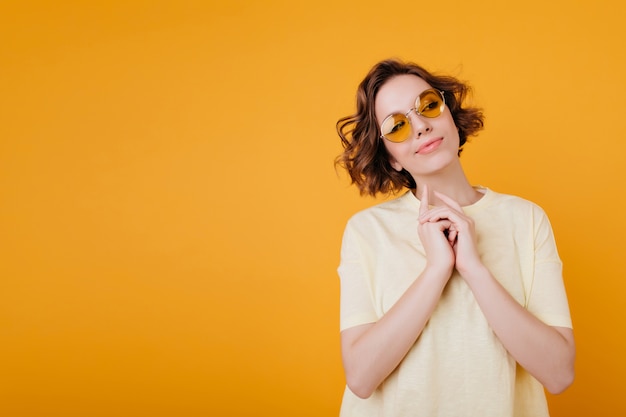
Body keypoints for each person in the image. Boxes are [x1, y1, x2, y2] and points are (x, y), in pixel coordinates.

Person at [335, 59, 575, 417]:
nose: (420, 126)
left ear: (450, 115)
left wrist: (474, 268)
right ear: (392, 158)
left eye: (428, 105)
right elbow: (361, 377)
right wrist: (436, 269)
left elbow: (559, 374)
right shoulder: (367, 231)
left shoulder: (526, 220)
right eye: (397, 126)